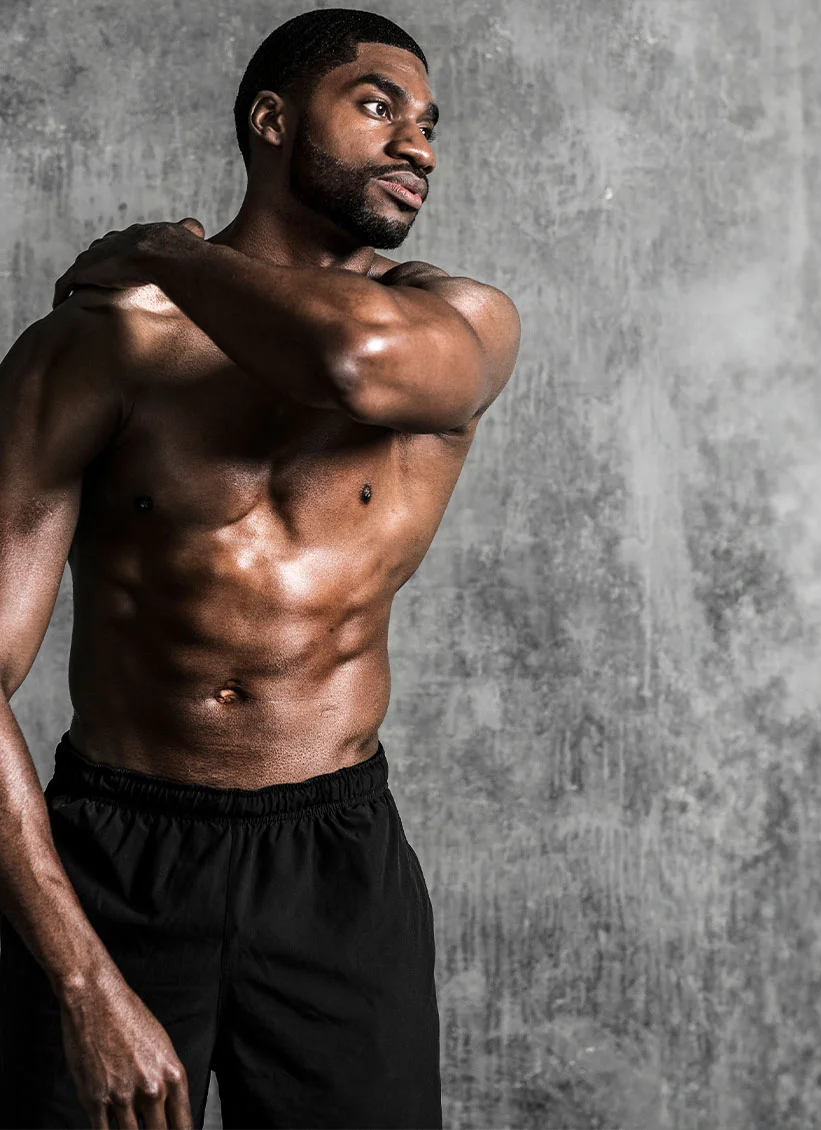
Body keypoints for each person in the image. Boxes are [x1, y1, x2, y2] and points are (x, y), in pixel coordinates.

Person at [0, 7, 520, 1128]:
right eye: (380, 105)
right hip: (111, 860)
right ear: (272, 121)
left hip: (334, 868)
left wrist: (165, 254)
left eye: (430, 123)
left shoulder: (460, 322)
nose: (418, 144)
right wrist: (84, 977)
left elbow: (351, 362)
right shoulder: (94, 353)